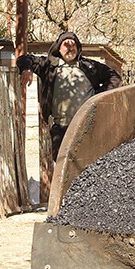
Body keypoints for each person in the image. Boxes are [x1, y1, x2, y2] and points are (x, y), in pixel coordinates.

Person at [17, 31, 121, 196]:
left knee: (87, 163)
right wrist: (27, 69)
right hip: (61, 127)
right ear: (59, 48)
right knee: (63, 165)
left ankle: (89, 198)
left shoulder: (89, 66)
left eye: (73, 44)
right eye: (66, 44)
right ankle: (68, 200)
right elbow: (24, 58)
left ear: (78, 47)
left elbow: (113, 76)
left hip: (87, 125)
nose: (70, 47)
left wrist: (98, 96)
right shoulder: (49, 66)